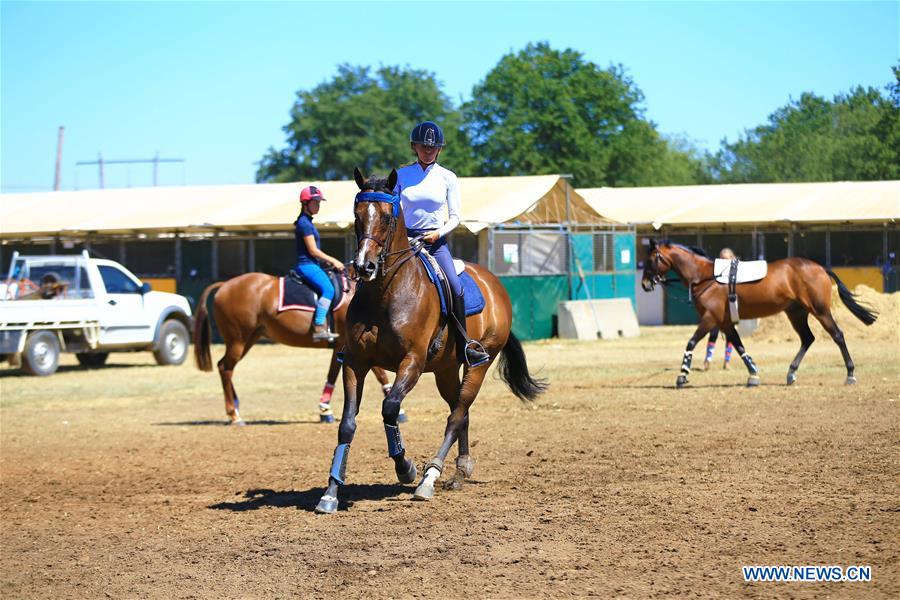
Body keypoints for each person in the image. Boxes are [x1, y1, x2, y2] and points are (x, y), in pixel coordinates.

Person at [394, 120, 490, 367]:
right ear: (414, 147)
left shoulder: (448, 177)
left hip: (435, 242)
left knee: (455, 285)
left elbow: (456, 216)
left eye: (433, 147)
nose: (428, 150)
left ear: (439, 149)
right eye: (423, 146)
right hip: (405, 241)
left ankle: (464, 343)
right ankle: (355, 340)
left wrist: (438, 233)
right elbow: (393, 210)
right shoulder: (401, 175)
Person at [294, 185, 345, 342]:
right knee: (328, 289)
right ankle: (318, 326)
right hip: (306, 265)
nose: (318, 205)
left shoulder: (308, 222)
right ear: (305, 203)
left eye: (319, 202)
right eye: (315, 202)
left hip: (312, 264)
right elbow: (313, 251)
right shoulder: (304, 224)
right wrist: (334, 261)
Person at [703, 247, 736, 370]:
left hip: (731, 308)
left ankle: (727, 362)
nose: (725, 261)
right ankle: (707, 360)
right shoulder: (716, 273)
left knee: (731, 335)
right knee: (713, 333)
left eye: (727, 259)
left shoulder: (736, 273)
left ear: (732, 258)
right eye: (722, 259)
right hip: (717, 309)